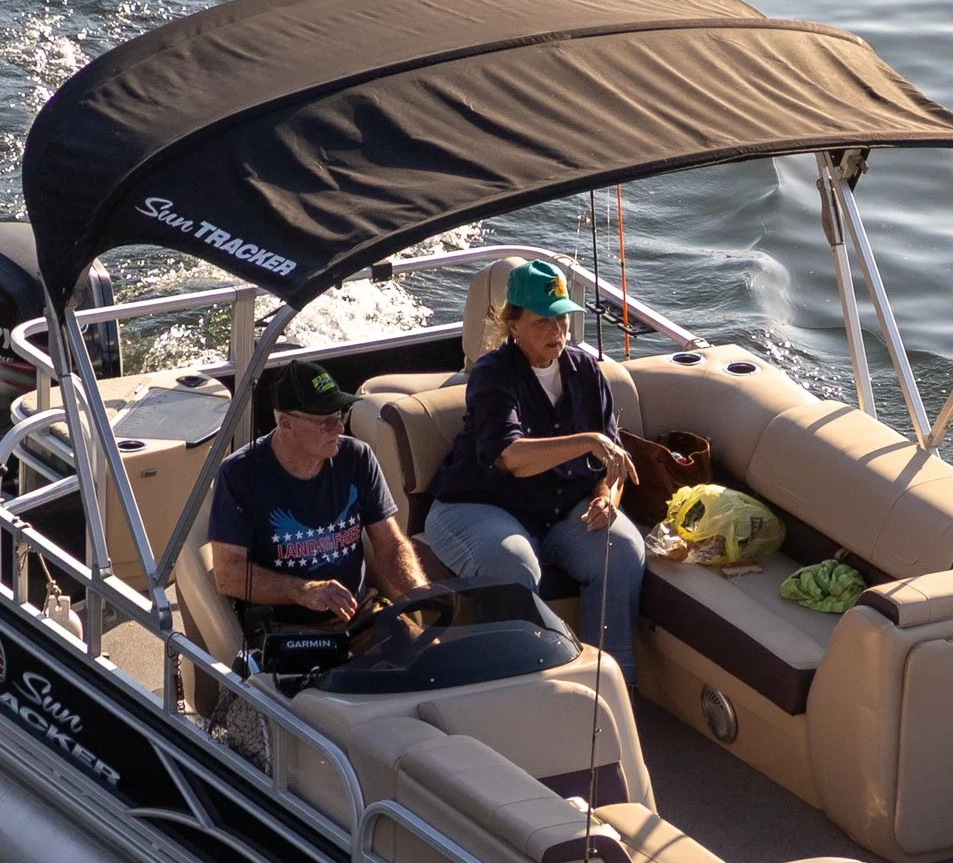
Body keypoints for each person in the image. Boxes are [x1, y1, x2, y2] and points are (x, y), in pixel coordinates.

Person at [426, 257, 647, 674]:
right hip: (478, 507)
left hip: (558, 512)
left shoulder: (584, 368)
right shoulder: (493, 373)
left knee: (622, 550)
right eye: (543, 321)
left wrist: (606, 498)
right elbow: (512, 459)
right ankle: (527, 681)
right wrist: (588, 440)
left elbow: (611, 459)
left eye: (562, 319)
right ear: (513, 324)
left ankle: (613, 681)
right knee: (514, 564)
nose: (557, 331)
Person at [205, 359, 429, 630]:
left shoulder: (357, 458)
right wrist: (303, 591)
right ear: (285, 423)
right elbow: (228, 573)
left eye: (341, 415)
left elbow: (390, 546)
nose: (339, 429)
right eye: (326, 422)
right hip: (282, 627)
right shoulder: (239, 474)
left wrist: (422, 595)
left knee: (433, 662)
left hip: (359, 615)